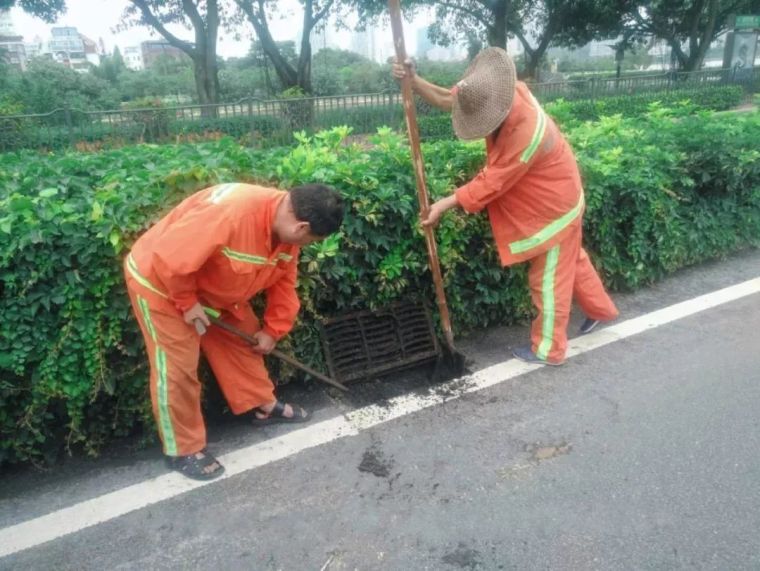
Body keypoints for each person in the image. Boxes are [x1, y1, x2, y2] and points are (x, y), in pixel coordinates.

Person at [393, 48, 618, 367]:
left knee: (549, 279)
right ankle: (601, 311)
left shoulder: (527, 133)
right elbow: (450, 100)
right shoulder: (494, 91)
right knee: (572, 260)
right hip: (558, 196)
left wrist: (443, 204)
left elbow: (492, 183)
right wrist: (414, 80)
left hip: (555, 208)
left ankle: (549, 350)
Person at [124, 182, 344, 480]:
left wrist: (272, 331)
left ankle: (260, 405)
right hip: (162, 284)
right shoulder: (230, 214)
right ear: (301, 226)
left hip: (214, 288)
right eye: (312, 240)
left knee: (246, 339)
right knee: (177, 368)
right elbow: (170, 260)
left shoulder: (286, 232)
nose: (307, 246)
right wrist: (187, 303)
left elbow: (284, 283)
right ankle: (182, 449)